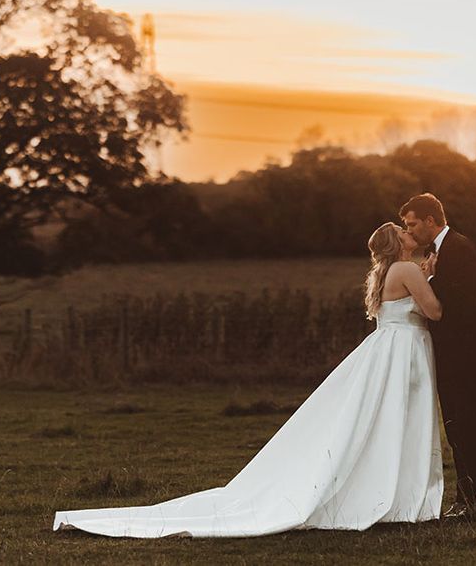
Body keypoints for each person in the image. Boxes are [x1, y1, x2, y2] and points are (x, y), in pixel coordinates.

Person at [53, 222, 443, 538]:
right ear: (398, 243)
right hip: (402, 352)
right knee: (397, 421)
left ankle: (387, 491)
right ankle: (398, 496)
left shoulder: (385, 272)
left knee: (382, 422)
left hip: (387, 350)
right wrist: (432, 279)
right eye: (406, 232)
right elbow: (434, 311)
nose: (413, 235)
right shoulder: (408, 269)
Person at [400, 193, 476, 516]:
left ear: (431, 220)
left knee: (466, 421)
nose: (410, 230)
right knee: (456, 423)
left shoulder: (459, 249)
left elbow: (456, 304)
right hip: (453, 350)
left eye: (413, 224)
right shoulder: (438, 251)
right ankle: (468, 497)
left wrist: (427, 280)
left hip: (468, 350)